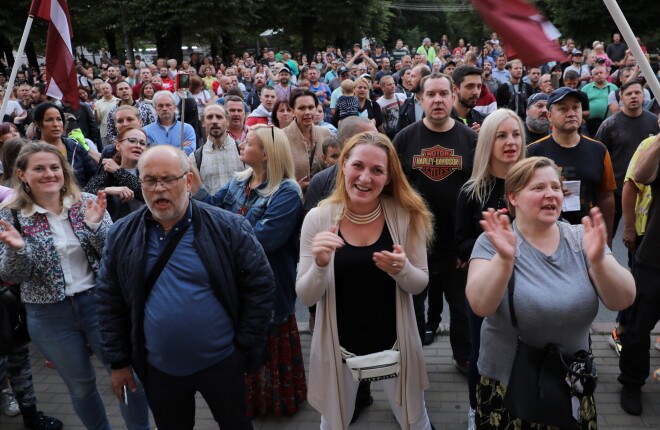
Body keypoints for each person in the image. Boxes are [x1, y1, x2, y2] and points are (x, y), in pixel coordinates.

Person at [95, 145, 275, 430]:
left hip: (223, 362)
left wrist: (242, 346)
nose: (159, 189)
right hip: (159, 369)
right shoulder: (122, 233)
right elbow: (109, 300)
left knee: (236, 423)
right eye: (150, 180)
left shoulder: (229, 228)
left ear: (188, 181)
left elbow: (261, 287)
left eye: (168, 179)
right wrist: (118, 362)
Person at [466, 156, 635, 428]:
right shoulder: (492, 241)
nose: (551, 195)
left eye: (555, 188)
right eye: (538, 188)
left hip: (571, 380)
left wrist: (601, 261)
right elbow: (480, 305)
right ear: (514, 197)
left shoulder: (581, 237)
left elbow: (623, 299)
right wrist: (504, 260)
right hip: (508, 383)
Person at [0, 141, 150, 430]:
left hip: (99, 305)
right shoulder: (11, 214)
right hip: (48, 315)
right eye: (39, 168)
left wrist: (95, 227)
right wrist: (18, 249)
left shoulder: (87, 202)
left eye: (55, 167)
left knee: (129, 379)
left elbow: (112, 255)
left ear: (64, 170)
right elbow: (14, 275)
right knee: (81, 387)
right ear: (22, 175)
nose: (49, 174)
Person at [296, 131, 435, 430]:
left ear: (388, 177)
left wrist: (401, 270)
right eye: (358, 165)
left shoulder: (405, 215)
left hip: (396, 345)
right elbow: (306, 297)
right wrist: (320, 265)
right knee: (333, 424)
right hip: (339, 348)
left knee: (416, 421)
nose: (365, 177)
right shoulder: (318, 219)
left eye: (377, 170)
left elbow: (419, 284)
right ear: (343, 164)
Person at [193, 124, 306, 417]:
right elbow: (211, 210)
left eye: (248, 142)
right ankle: (250, 403)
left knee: (269, 339)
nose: (241, 144)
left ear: (266, 154)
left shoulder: (287, 192)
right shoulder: (238, 181)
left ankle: (277, 404)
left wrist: (221, 235)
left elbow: (262, 240)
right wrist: (196, 189)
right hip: (234, 282)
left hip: (268, 285)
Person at [393, 73, 477, 369]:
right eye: (431, 94)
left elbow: (479, 194)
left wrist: (470, 247)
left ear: (453, 95)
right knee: (412, 306)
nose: (438, 100)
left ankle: (464, 358)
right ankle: (413, 359)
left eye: (443, 93)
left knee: (462, 307)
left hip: (456, 242)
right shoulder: (404, 138)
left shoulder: (470, 139)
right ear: (421, 98)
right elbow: (393, 191)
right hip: (415, 240)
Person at [454, 109, 526, 429]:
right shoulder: (472, 191)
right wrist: (496, 247)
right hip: (485, 288)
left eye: (515, 134)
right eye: (501, 135)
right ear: (487, 141)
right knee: (481, 353)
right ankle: (476, 409)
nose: (510, 142)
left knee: (524, 351)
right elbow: (460, 242)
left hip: (528, 286)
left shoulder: (534, 185)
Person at [83, 127, 147, 220]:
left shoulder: (149, 170)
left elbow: (146, 192)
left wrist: (118, 171)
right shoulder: (108, 168)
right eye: (132, 141)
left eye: (142, 143)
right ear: (118, 146)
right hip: (117, 228)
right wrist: (107, 190)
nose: (138, 145)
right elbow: (86, 193)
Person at [31, 103, 96, 187]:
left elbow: (93, 179)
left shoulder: (75, 147)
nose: (55, 124)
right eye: (49, 120)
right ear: (37, 124)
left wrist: (82, 196)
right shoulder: (30, 152)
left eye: (59, 119)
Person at [283, 89, 332, 190]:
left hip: (324, 198)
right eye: (301, 108)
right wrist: (295, 187)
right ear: (292, 111)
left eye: (311, 107)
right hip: (294, 198)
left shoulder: (326, 133)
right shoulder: (281, 137)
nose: (307, 112)